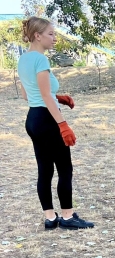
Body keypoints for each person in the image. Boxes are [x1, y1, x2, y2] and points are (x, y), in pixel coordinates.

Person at [17, 17, 94, 230]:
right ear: (37, 35)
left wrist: (58, 97)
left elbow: (27, 94)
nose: (54, 38)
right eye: (51, 34)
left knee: (44, 170)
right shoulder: (41, 60)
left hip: (33, 118)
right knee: (64, 169)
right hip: (47, 120)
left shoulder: (23, 59)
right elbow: (43, 94)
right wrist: (63, 124)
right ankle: (68, 217)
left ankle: (50, 217)